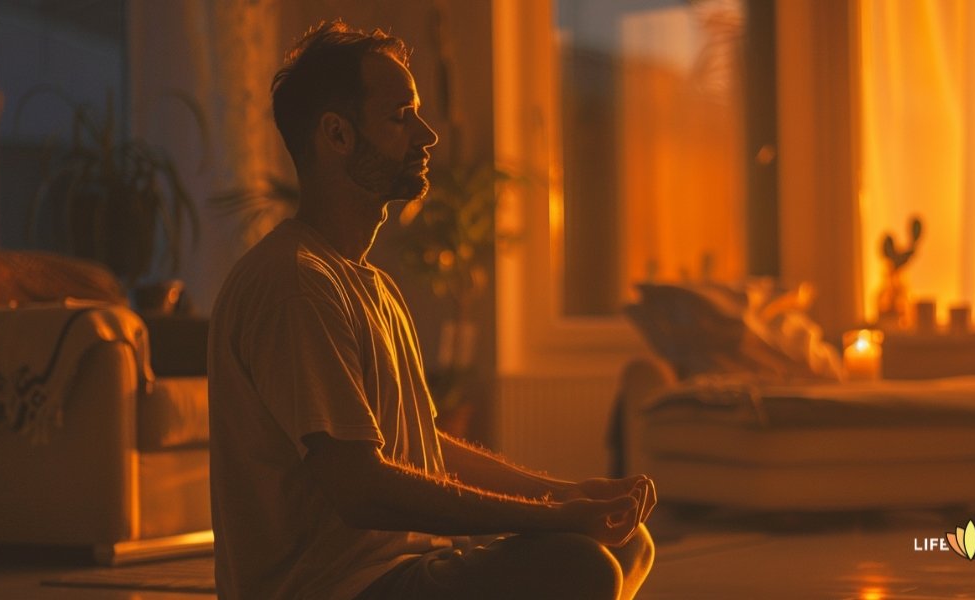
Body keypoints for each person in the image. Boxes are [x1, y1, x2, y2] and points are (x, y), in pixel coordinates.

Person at [208, 20, 656, 600]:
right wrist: (557, 520)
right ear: (337, 135)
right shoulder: (295, 282)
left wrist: (566, 496)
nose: (427, 135)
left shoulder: (371, 284)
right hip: (337, 588)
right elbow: (359, 487)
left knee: (628, 542)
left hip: (404, 569)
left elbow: (422, 447)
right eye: (400, 117)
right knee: (581, 567)